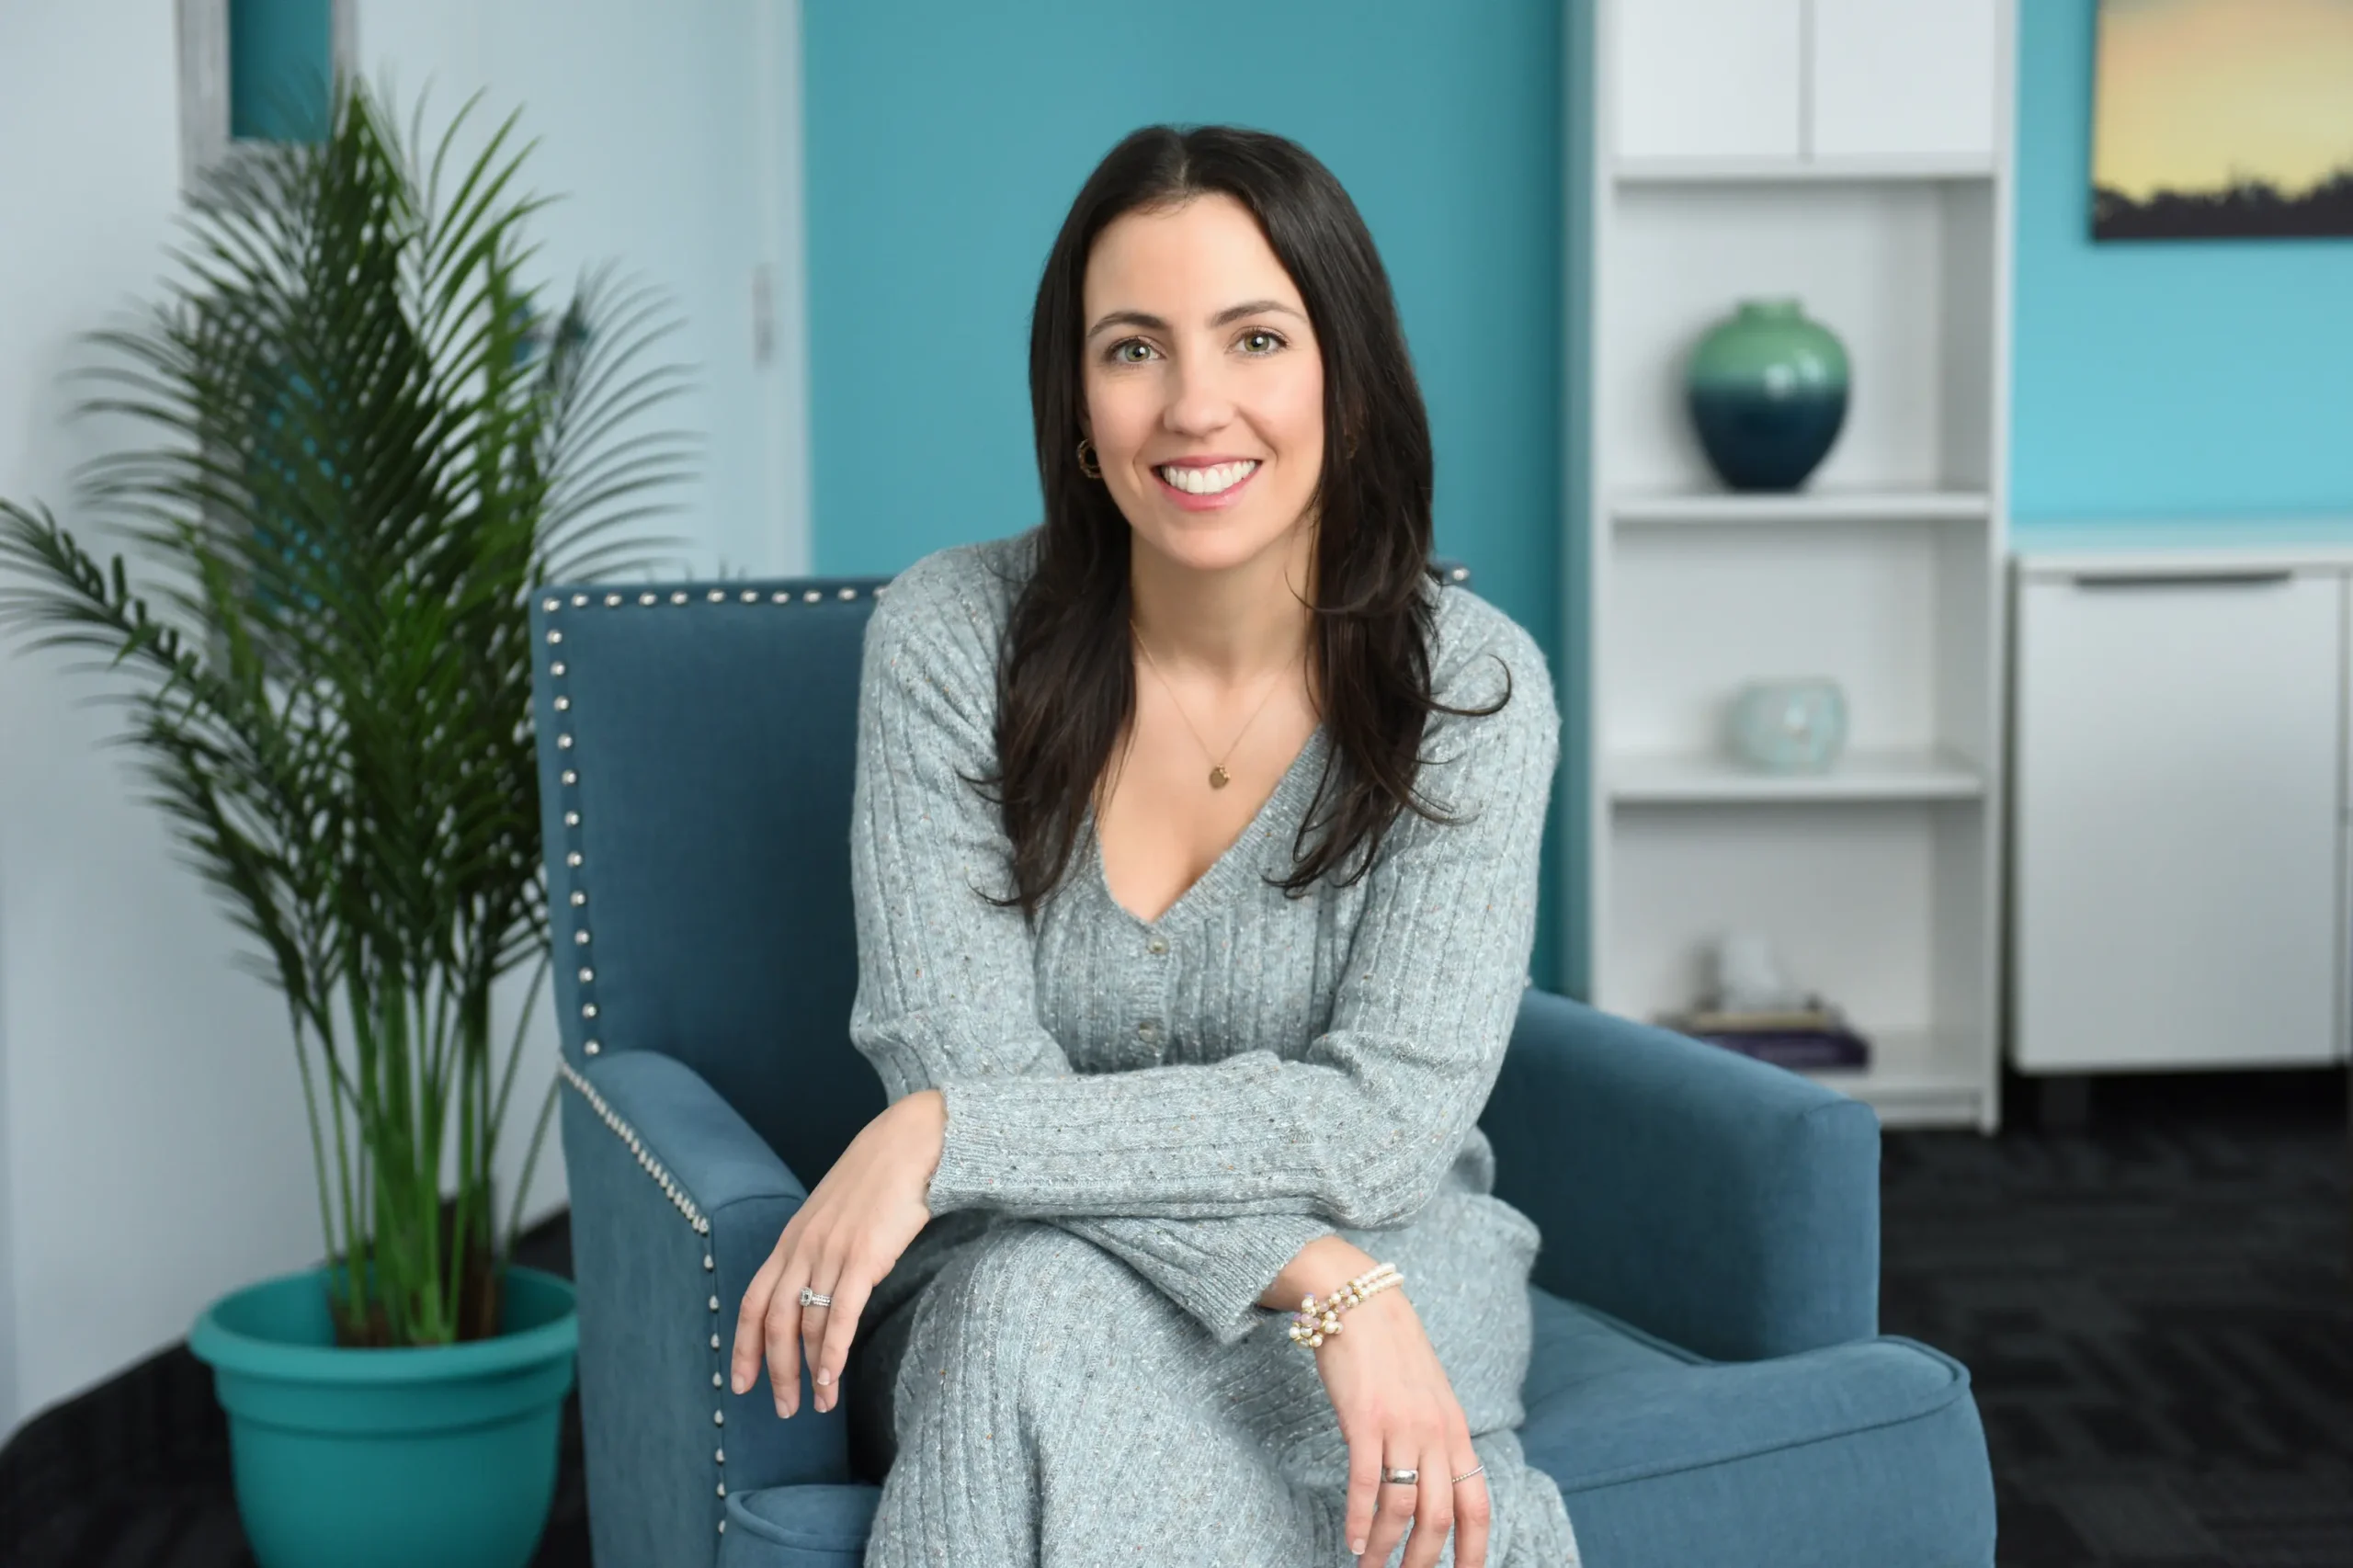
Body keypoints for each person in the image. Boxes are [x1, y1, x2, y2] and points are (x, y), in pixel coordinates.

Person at [728, 123, 1578, 1568]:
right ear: (1075, 402)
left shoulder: (1472, 694)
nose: (1195, 406)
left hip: (1402, 1266)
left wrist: (950, 1133)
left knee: (1027, 1327)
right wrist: (1315, 1277)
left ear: (1347, 386)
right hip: (1193, 1281)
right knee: (1021, 1305)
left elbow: (1379, 1122)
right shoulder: (950, 641)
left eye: (1255, 338)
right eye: (1133, 350)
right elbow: (962, 1049)